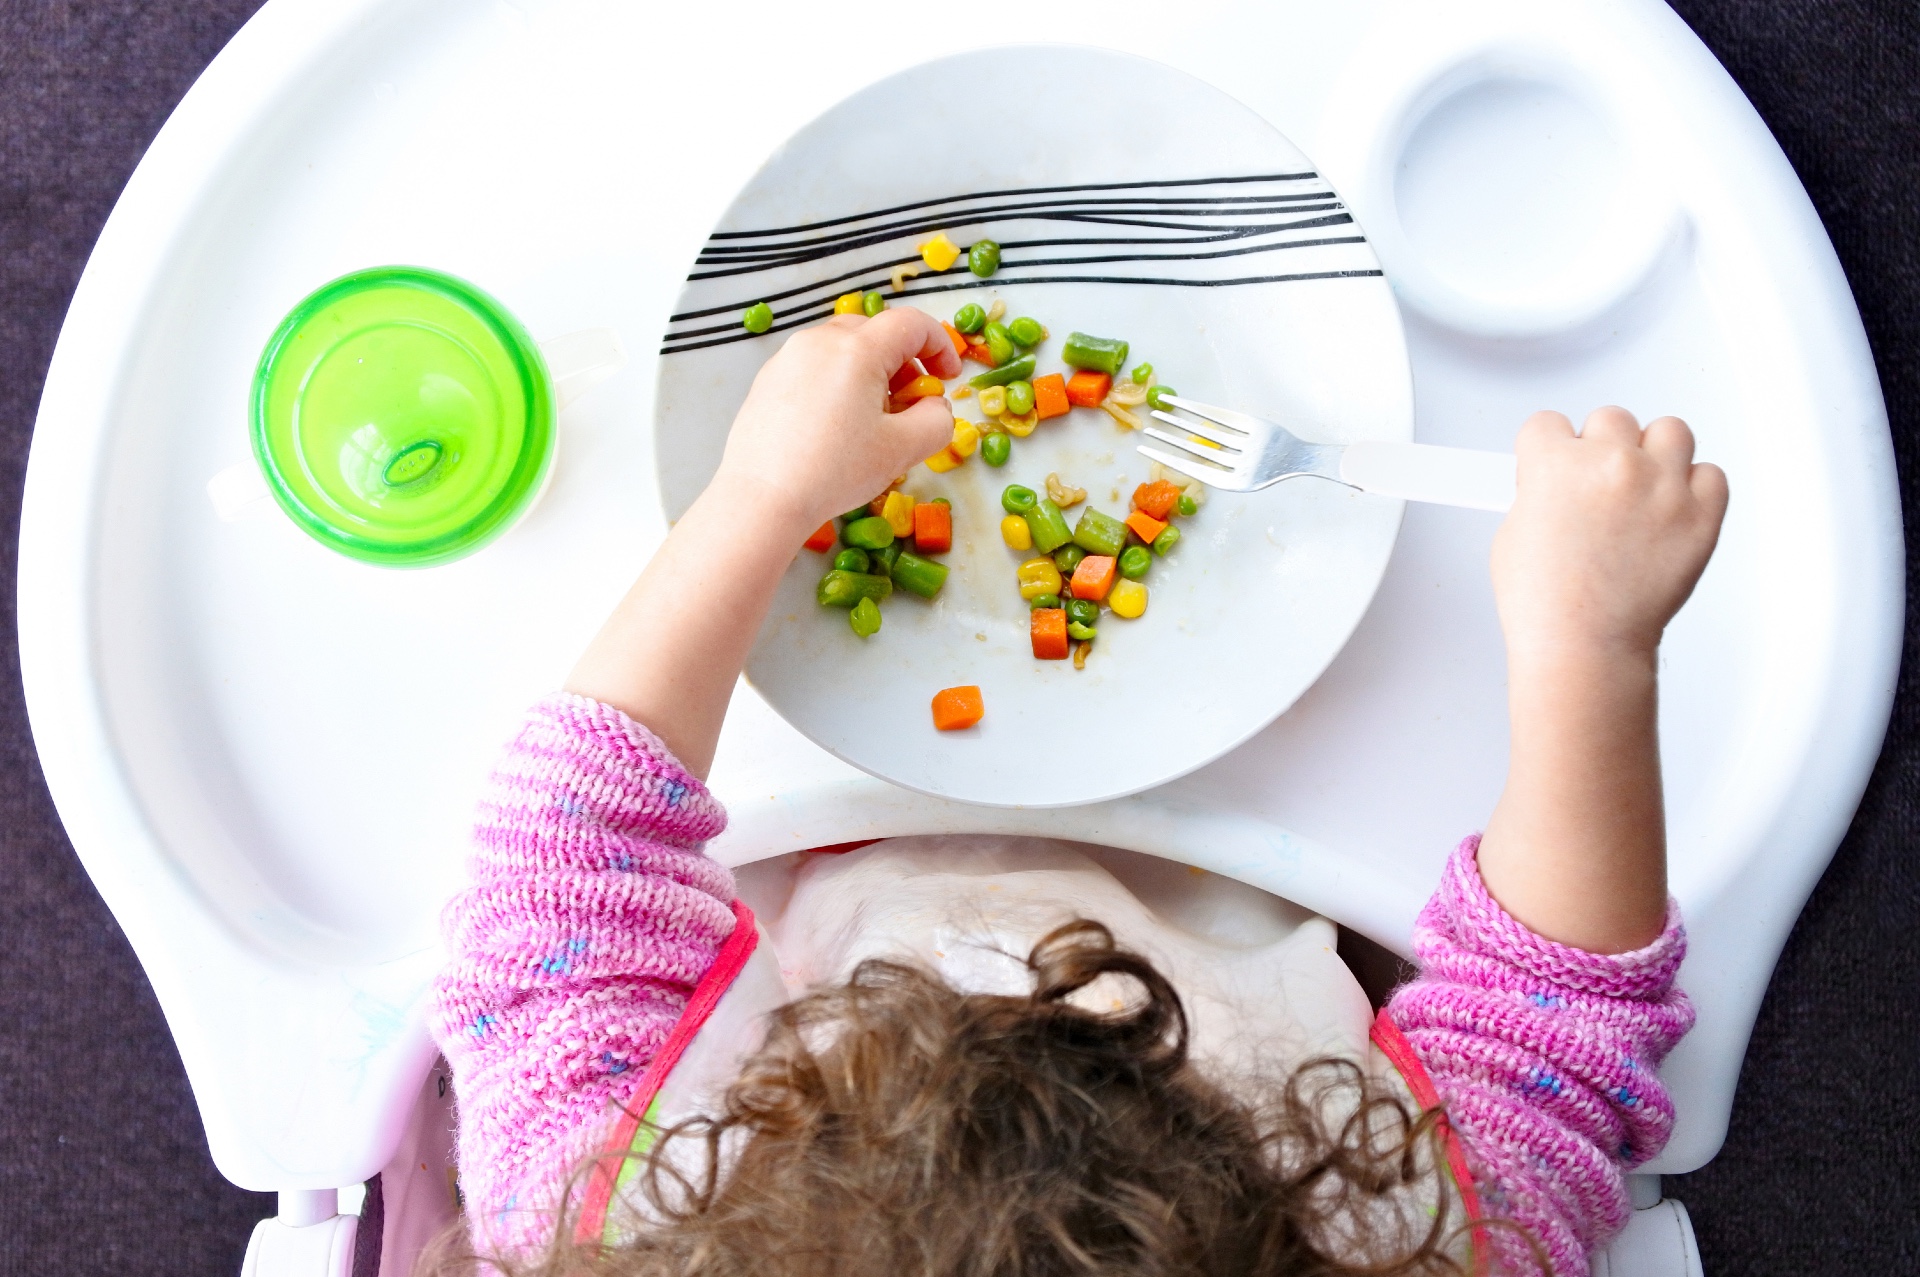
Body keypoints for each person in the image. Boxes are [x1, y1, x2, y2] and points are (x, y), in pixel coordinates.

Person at [427, 308, 1727, 1276]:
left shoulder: (594, 1205)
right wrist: (1590, 648)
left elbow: (559, 855)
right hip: (1259, 853)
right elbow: (1549, 1019)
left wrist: (759, 496)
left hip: (823, 848)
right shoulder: (1427, 1245)